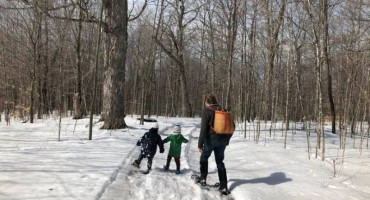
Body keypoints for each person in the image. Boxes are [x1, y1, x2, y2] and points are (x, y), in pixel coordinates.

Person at [198, 94, 232, 195]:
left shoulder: (206, 111)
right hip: (223, 140)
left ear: (207, 102)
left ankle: (203, 179)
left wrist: (200, 144)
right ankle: (223, 185)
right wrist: (227, 140)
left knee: (204, 157)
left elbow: (203, 129)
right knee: (220, 161)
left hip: (211, 140)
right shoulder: (223, 110)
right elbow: (232, 126)